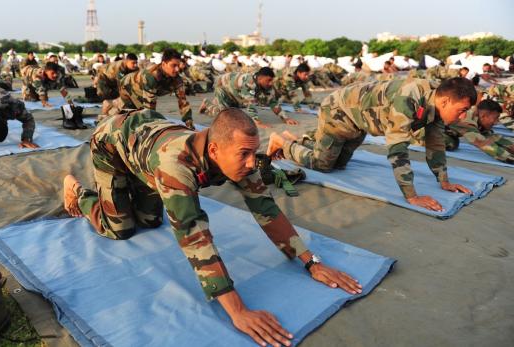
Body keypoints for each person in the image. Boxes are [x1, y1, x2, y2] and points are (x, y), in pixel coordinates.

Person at [63, 108, 362, 347]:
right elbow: (194, 237)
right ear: (215, 150)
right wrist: (238, 310)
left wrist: (311, 262)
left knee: (150, 221)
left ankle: (129, 189)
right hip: (113, 142)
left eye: (252, 152)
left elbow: (266, 210)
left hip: (149, 144)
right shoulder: (175, 167)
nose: (250, 163)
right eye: (243, 154)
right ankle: (78, 191)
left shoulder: (237, 155)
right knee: (119, 228)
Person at [267, 77, 477, 212]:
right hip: (338, 111)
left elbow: (436, 144)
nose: (463, 116)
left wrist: (444, 180)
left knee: (339, 164)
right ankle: (283, 142)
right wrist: (412, 196)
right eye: (462, 109)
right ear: (446, 102)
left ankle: (300, 140)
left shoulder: (437, 102)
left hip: (360, 122)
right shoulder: (408, 99)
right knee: (322, 164)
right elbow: (397, 150)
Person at [114, 48, 194, 129]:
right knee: (132, 117)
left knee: (142, 116)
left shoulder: (177, 79)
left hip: (143, 89)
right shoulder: (152, 76)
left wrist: (189, 124)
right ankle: (112, 106)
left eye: (178, 65)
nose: (177, 69)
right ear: (163, 64)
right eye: (173, 65)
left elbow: (183, 103)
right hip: (127, 86)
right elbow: (149, 108)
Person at [200, 67, 298, 128]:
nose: (271, 83)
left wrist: (285, 118)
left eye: (272, 80)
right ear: (260, 78)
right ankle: (207, 103)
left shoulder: (267, 86)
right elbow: (250, 104)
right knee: (225, 118)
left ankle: (208, 108)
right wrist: (257, 122)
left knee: (233, 115)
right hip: (222, 87)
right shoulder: (249, 82)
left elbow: (273, 102)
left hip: (235, 94)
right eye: (268, 80)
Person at [443, 99, 514, 163]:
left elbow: (494, 138)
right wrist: (510, 158)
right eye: (495, 118)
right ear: (483, 116)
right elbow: (483, 143)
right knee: (450, 143)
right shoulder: (467, 121)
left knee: (452, 142)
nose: (496, 123)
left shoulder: (478, 119)